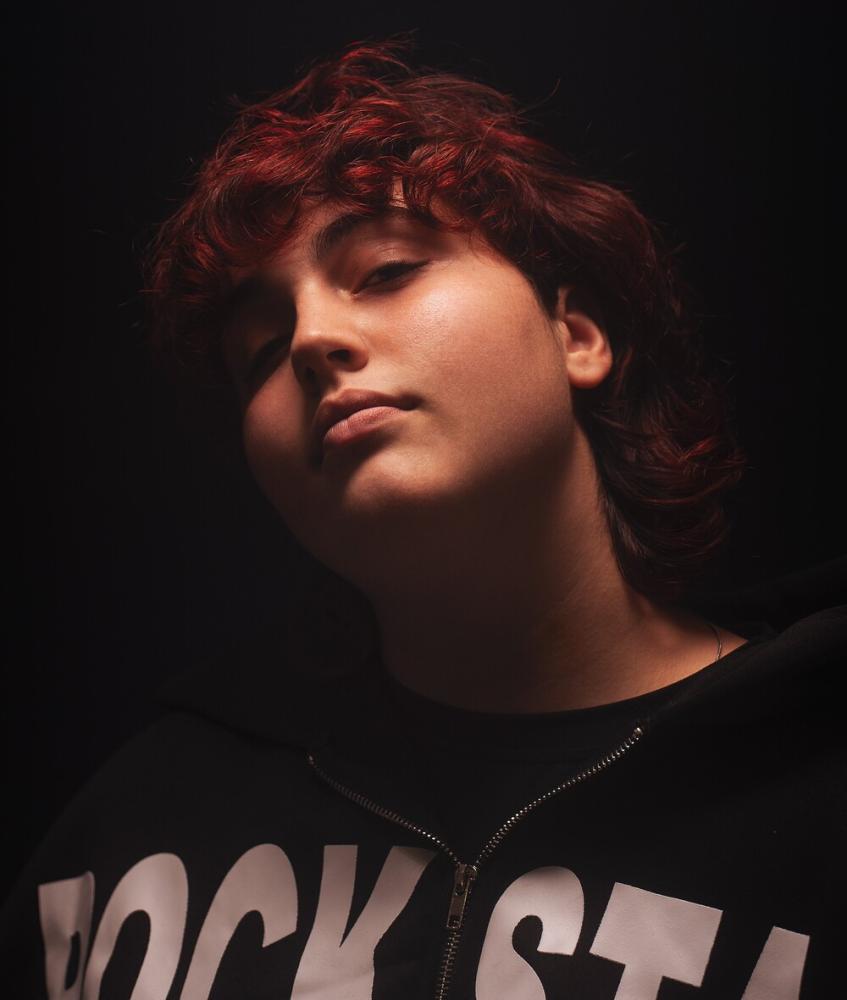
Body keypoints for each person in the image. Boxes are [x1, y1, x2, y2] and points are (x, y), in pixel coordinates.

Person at [2, 34, 844, 998]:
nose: (312, 340)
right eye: (262, 351)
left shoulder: (815, 784)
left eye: (387, 269)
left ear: (576, 335)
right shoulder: (134, 828)